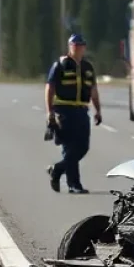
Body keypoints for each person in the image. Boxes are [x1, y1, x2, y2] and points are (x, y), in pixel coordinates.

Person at [45, 34, 102, 195]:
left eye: (80, 45)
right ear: (69, 46)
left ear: (84, 47)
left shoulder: (88, 67)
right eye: (74, 45)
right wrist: (50, 112)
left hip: (82, 111)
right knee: (69, 147)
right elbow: (50, 89)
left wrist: (98, 110)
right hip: (64, 111)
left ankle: (57, 169)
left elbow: (93, 90)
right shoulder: (60, 65)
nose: (77, 47)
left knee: (83, 147)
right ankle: (74, 184)